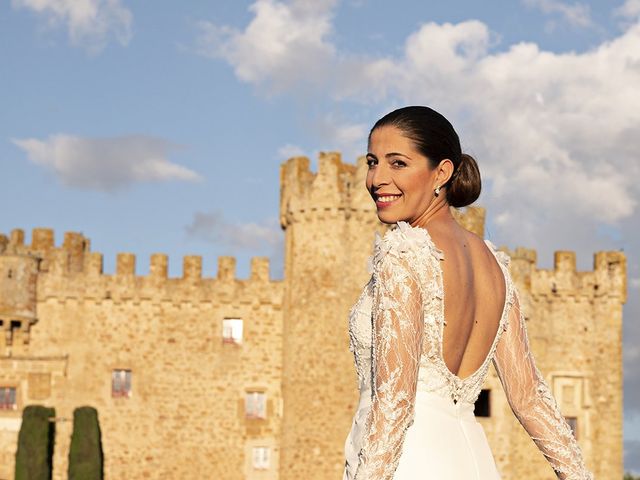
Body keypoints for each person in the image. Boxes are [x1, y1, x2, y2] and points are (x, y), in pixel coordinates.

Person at [342, 106, 594, 480]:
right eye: (372, 162)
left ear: (441, 173)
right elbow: (529, 398)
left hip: (408, 462)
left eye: (397, 164)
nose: (377, 178)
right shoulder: (494, 265)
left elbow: (395, 402)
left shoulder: (403, 253)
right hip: (473, 460)